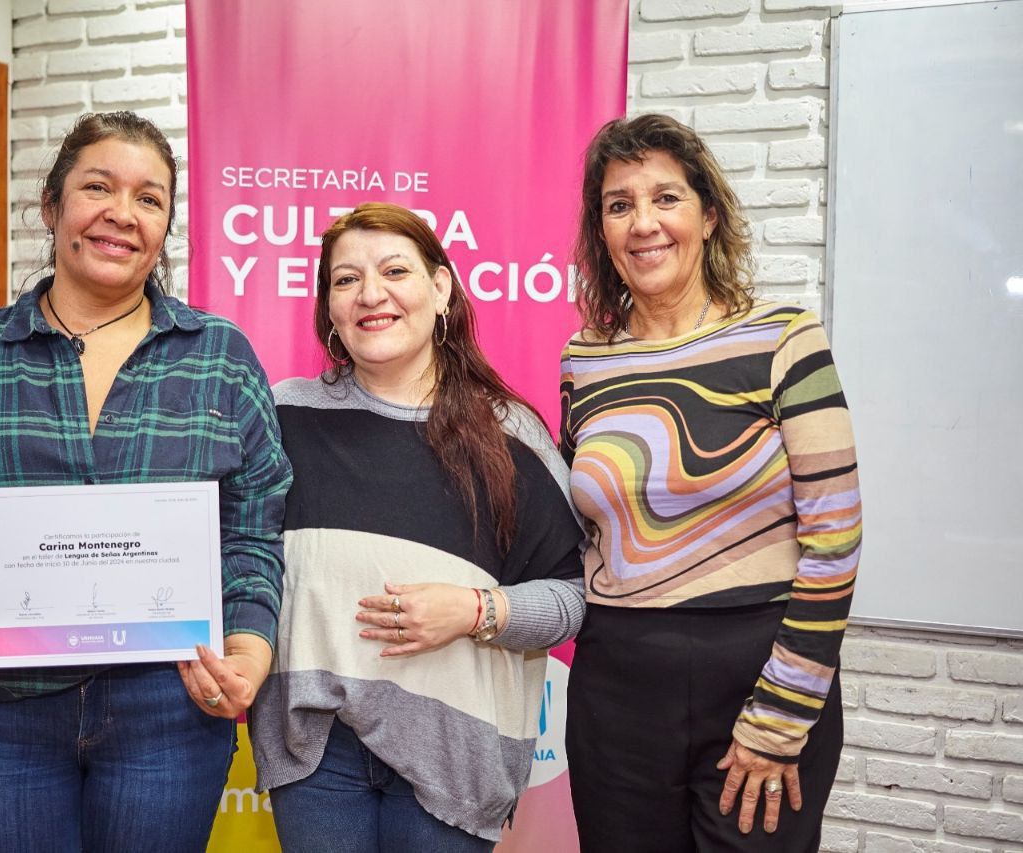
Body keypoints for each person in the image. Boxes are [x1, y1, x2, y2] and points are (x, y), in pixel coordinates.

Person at [0, 111, 291, 851]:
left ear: (165, 227)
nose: (122, 214)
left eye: (150, 198)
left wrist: (250, 645)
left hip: (171, 705)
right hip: (1, 717)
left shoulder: (220, 357)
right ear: (53, 205)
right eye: (99, 186)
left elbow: (253, 531)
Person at [561, 113, 862, 852]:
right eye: (619, 203)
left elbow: (835, 544)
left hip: (758, 674)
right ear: (601, 229)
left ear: (709, 215)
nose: (643, 223)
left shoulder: (785, 338)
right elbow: (593, 528)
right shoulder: (584, 359)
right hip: (616, 689)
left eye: (666, 197)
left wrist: (781, 715)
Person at [249, 202, 585, 851]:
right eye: (345, 280)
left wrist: (474, 609)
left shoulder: (510, 434)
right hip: (316, 756)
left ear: (440, 287)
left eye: (394, 270)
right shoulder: (281, 416)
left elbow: (575, 596)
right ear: (329, 309)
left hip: (456, 763)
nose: (370, 294)